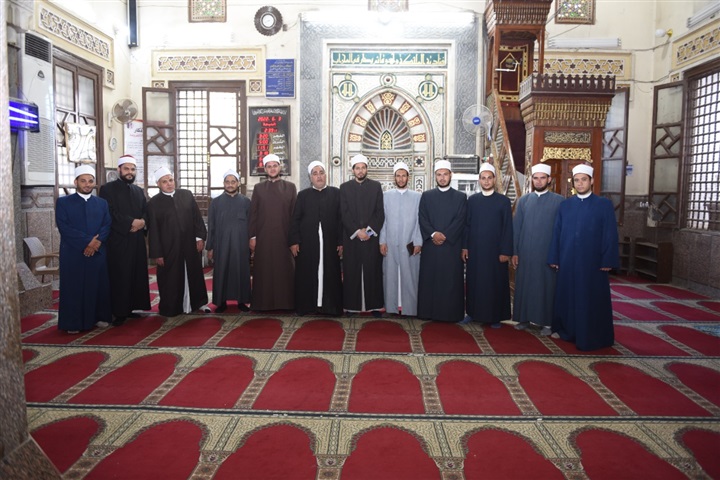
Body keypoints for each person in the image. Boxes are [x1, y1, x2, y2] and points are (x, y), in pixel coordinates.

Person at [548, 163, 619, 351]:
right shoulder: (565, 205)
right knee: (567, 296)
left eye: (584, 180)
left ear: (592, 181)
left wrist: (608, 259)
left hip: (592, 263)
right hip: (567, 260)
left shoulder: (603, 205)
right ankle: (567, 330)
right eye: (577, 180)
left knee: (590, 298)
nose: (580, 183)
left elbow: (610, 233)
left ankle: (593, 335)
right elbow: (557, 233)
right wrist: (555, 257)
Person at [55, 164, 112, 333]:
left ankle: (99, 317)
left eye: (90, 181)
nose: (87, 184)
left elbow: (107, 224)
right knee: (74, 288)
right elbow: (64, 227)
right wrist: (87, 242)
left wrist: (96, 243)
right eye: (83, 181)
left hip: (97, 252)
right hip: (73, 253)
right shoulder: (63, 202)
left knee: (97, 286)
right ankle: (73, 323)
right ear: (76, 182)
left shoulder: (102, 203)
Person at [146, 167, 209, 317]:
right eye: (164, 182)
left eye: (171, 180)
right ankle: (172, 307)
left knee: (194, 274)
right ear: (158, 184)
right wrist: (158, 253)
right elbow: (153, 230)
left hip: (190, 244)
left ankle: (197, 303)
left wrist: (199, 238)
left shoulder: (186, 195)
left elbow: (196, 218)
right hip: (169, 248)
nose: (169, 184)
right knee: (171, 278)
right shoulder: (154, 203)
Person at [512, 163, 564, 336]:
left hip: (547, 254)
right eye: (536, 178)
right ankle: (524, 319)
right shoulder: (524, 201)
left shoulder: (559, 201)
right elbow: (517, 228)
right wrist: (515, 252)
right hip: (525, 253)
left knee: (546, 288)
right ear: (532, 180)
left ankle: (547, 323)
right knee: (525, 286)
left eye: (542, 178)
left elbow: (561, 231)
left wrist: (557, 255)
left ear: (549, 180)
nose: (539, 181)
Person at [99, 154, 151, 326]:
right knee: (120, 274)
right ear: (119, 170)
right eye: (126, 169)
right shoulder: (107, 189)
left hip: (137, 240)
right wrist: (130, 222)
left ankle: (131, 308)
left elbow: (146, 211)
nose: (130, 172)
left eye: (133, 169)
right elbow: (110, 213)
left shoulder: (138, 191)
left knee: (136, 273)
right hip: (119, 240)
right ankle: (119, 311)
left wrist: (142, 222)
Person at [461, 162, 513, 328]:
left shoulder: (503, 201)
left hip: (495, 252)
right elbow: (467, 225)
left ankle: (495, 317)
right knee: (475, 283)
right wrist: (465, 247)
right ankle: (472, 313)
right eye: (483, 178)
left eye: (489, 178)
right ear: (479, 180)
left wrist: (506, 251)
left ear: (494, 179)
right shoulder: (472, 200)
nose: (486, 181)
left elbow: (508, 228)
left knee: (494, 283)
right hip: (476, 251)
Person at [289, 161, 344, 316]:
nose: (319, 176)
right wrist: (294, 241)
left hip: (330, 242)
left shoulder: (336, 193)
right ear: (310, 178)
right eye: (315, 174)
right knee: (307, 273)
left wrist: (341, 242)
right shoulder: (303, 195)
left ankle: (330, 307)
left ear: (326, 175)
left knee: (330, 273)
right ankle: (308, 306)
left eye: (321, 173)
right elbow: (295, 220)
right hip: (307, 243)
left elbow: (341, 219)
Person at [417, 160, 467, 323]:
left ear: (450, 175)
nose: (442, 178)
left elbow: (460, 220)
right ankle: (428, 313)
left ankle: (450, 315)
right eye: (439, 174)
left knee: (450, 281)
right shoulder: (427, 196)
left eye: (445, 174)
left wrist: (445, 236)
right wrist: (433, 234)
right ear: (435, 176)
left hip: (451, 247)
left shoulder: (460, 197)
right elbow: (422, 218)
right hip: (431, 246)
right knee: (430, 280)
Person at [249, 153, 297, 311]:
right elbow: (253, 214)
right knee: (264, 270)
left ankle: (286, 304)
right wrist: (253, 236)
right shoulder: (258, 188)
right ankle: (263, 304)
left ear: (280, 167)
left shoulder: (290, 187)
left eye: (275, 166)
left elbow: (294, 215)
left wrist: (294, 239)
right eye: (269, 166)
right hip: (264, 238)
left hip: (284, 237)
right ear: (265, 169)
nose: (272, 169)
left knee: (284, 270)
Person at [339, 154, 385, 316]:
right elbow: (344, 213)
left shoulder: (376, 187)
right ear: (353, 170)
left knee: (372, 270)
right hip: (352, 238)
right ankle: (352, 306)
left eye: (363, 168)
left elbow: (380, 213)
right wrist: (357, 232)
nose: (360, 171)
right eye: (357, 168)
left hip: (371, 238)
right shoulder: (344, 188)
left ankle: (374, 306)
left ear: (366, 169)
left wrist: (369, 232)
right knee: (352, 271)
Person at [379, 162, 422, 316]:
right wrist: (382, 241)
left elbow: (420, 221)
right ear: (394, 178)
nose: (401, 178)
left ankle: (409, 308)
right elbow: (382, 221)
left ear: (408, 177)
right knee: (390, 275)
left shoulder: (417, 197)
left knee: (410, 275)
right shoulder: (386, 196)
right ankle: (391, 307)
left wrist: (418, 241)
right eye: (398, 176)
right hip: (390, 242)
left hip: (409, 242)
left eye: (404, 176)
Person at [206, 170, 251, 313]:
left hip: (241, 245)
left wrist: (251, 243)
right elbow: (211, 226)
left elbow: (251, 225)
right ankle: (221, 302)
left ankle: (242, 301)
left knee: (241, 271)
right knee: (222, 272)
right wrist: (210, 247)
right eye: (227, 182)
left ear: (238, 183)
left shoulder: (246, 202)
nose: (230, 185)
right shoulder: (216, 203)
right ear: (223, 183)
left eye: (233, 182)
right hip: (221, 245)